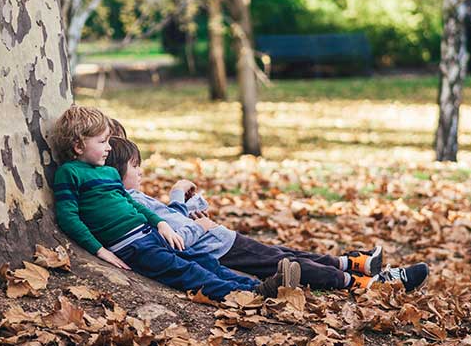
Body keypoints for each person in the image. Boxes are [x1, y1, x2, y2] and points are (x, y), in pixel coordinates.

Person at [105, 136, 430, 293]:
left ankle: (355, 263)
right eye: (136, 167)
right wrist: (183, 204)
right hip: (217, 248)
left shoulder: (128, 198)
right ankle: (371, 284)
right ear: (117, 171)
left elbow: (173, 224)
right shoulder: (128, 201)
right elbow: (175, 233)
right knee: (290, 265)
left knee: (285, 253)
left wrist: (190, 210)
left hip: (219, 240)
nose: (141, 172)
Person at [50, 105, 301, 301]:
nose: (108, 148)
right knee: (186, 271)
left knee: (203, 261)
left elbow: (134, 205)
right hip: (132, 246)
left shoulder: (108, 173)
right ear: (78, 144)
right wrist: (99, 250)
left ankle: (259, 287)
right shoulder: (70, 173)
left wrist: (161, 224)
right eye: (102, 142)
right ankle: (245, 296)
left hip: (151, 234)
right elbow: (69, 218)